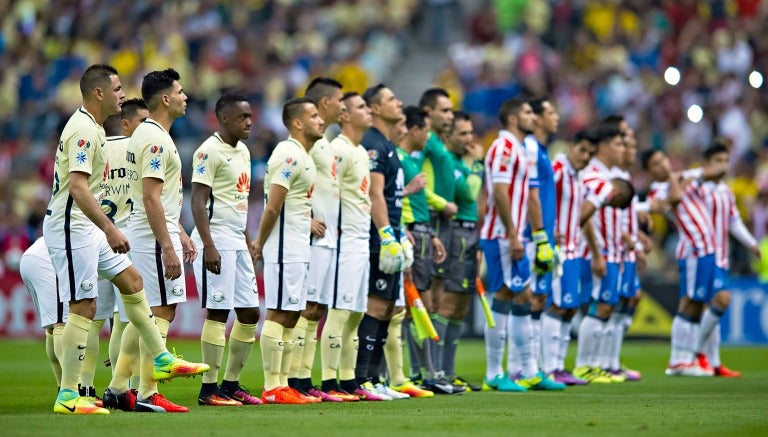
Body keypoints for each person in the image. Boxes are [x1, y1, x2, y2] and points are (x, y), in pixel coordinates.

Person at [44, 64, 207, 415]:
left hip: (88, 227)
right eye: (117, 89)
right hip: (72, 226)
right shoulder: (85, 130)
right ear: (99, 93)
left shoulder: (97, 130)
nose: (123, 94)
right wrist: (109, 228)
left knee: (133, 284)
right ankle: (69, 395)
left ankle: (160, 358)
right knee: (83, 307)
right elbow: (77, 187)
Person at [122, 68, 201, 413]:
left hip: (150, 230)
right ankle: (147, 392)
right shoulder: (155, 139)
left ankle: (117, 387)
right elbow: (151, 197)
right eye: (181, 92)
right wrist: (167, 244)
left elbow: (158, 197)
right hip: (151, 235)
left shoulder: (146, 135)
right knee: (160, 310)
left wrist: (179, 232)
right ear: (166, 99)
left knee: (143, 314)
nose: (186, 97)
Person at [479, 98, 565, 392]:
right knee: (504, 295)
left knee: (522, 295)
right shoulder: (502, 148)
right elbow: (500, 194)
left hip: (517, 236)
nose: (534, 118)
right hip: (502, 235)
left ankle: (527, 369)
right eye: (528, 113)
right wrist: (514, 235)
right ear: (514, 118)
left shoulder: (521, 149)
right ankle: (493, 373)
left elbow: (530, 196)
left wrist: (538, 235)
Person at [250, 97, 322, 404]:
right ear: (297, 122)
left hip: (296, 246)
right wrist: (259, 243)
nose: (320, 120)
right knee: (280, 313)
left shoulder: (302, 155)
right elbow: (274, 205)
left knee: (293, 314)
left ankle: (283, 384)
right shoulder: (288, 154)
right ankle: (271, 386)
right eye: (314, 115)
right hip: (282, 248)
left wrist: (307, 222)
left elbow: (292, 204)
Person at [192, 94, 262, 406]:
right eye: (242, 117)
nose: (249, 122)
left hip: (236, 239)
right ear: (224, 120)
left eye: (250, 116)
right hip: (215, 236)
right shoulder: (209, 151)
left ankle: (230, 384)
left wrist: (247, 239)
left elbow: (238, 201)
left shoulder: (244, 151)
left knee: (249, 313)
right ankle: (209, 390)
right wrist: (208, 245)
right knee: (219, 312)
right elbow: (197, 200)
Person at [641, 149, 724, 376]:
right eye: (656, 163)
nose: (663, 165)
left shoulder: (681, 177)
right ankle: (678, 360)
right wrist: (676, 178)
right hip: (692, 248)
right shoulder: (656, 191)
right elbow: (675, 198)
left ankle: (687, 359)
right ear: (649, 171)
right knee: (689, 302)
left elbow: (715, 171)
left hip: (706, 248)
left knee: (698, 303)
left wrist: (688, 175)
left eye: (664, 159)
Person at [354, 83, 412, 400]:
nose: (398, 103)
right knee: (376, 307)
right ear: (375, 108)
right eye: (391, 99)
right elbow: (375, 193)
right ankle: (363, 379)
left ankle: (375, 379)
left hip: (391, 235)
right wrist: (386, 234)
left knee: (388, 307)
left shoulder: (388, 146)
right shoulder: (374, 145)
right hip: (378, 238)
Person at [289, 78, 345, 402]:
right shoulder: (305, 143)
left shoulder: (324, 141)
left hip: (329, 238)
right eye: (339, 100)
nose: (343, 106)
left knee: (316, 310)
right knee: (306, 309)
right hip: (312, 238)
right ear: (324, 103)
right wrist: (304, 217)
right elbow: (288, 182)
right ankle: (294, 380)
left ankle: (303, 379)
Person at [94, 98, 150, 401]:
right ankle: (124, 386)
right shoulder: (137, 151)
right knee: (126, 318)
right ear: (126, 123)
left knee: (91, 317)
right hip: (127, 238)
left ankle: (83, 387)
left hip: (96, 234)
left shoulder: (96, 148)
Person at [693, 141, 761, 377]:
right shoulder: (699, 190)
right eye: (718, 161)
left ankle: (713, 362)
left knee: (714, 308)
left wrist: (751, 243)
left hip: (720, 256)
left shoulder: (726, 191)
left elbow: (733, 222)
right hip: (700, 254)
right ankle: (696, 353)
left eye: (725, 161)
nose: (723, 166)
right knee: (717, 302)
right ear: (707, 164)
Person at [572, 123, 630, 383]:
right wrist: (596, 252)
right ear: (604, 146)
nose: (623, 149)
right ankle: (584, 365)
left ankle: (596, 364)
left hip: (613, 250)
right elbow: (584, 217)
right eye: (618, 144)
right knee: (598, 304)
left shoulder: (611, 175)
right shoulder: (593, 174)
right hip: (596, 250)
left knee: (606, 305)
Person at [396, 106, 448, 394]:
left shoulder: (411, 160)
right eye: (426, 130)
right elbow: (393, 198)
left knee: (421, 307)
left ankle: (425, 372)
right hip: (411, 234)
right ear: (414, 129)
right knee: (411, 307)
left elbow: (417, 200)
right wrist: (404, 227)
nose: (428, 136)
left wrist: (432, 233)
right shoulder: (400, 160)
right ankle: (418, 373)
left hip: (423, 232)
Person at [508, 97, 557, 379]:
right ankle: (519, 367)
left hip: (543, 233)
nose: (557, 118)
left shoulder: (541, 150)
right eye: (551, 112)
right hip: (529, 234)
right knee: (525, 297)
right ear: (537, 118)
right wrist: (537, 235)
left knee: (538, 299)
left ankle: (532, 366)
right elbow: (529, 195)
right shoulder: (528, 148)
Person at [542, 130, 596, 385]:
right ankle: (548, 366)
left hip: (573, 248)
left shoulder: (577, 176)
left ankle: (559, 365)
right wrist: (547, 229)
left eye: (590, 154)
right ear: (571, 145)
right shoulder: (558, 169)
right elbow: (538, 195)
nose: (585, 157)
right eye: (583, 150)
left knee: (569, 306)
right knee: (557, 305)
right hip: (558, 249)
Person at [436, 110, 483, 391]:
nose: (468, 139)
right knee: (447, 303)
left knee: (461, 306)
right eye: (462, 133)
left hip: (469, 231)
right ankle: (437, 370)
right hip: (453, 233)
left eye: (470, 132)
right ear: (447, 135)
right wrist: (474, 165)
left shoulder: (461, 161)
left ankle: (449, 372)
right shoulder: (449, 161)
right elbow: (467, 194)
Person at [20, 237, 68, 391]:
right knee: (62, 323)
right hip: (47, 259)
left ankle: (63, 387)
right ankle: (72, 390)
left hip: (32, 257)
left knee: (53, 327)